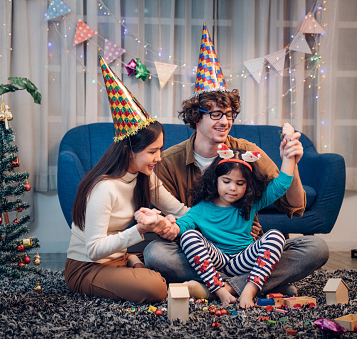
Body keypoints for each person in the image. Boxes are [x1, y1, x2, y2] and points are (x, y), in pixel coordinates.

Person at [143, 23, 329, 298]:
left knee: (316, 249)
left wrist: (292, 161)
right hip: (200, 253)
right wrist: (160, 223)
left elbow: (292, 206)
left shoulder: (247, 154)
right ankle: (262, 284)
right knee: (155, 253)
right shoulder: (169, 162)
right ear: (196, 117)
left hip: (247, 252)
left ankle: (222, 288)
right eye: (216, 114)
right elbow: (172, 226)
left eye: (229, 114)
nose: (226, 121)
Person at [64, 56, 188, 304]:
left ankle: (134, 265)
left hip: (121, 260)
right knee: (156, 289)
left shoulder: (146, 178)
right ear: (129, 151)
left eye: (160, 150)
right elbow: (94, 249)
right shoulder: (104, 188)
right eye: (153, 152)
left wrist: (175, 224)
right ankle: (137, 268)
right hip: (86, 267)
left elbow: (180, 210)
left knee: (162, 267)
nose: (159, 158)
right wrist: (140, 230)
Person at [140, 124, 296, 308]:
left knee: (279, 236)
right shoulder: (201, 208)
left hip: (244, 259)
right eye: (227, 181)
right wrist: (163, 224)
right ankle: (221, 289)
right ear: (215, 181)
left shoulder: (251, 202)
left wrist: (288, 156)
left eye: (240, 183)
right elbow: (179, 227)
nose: (232, 188)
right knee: (182, 239)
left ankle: (249, 290)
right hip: (215, 259)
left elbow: (281, 184)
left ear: (248, 186)